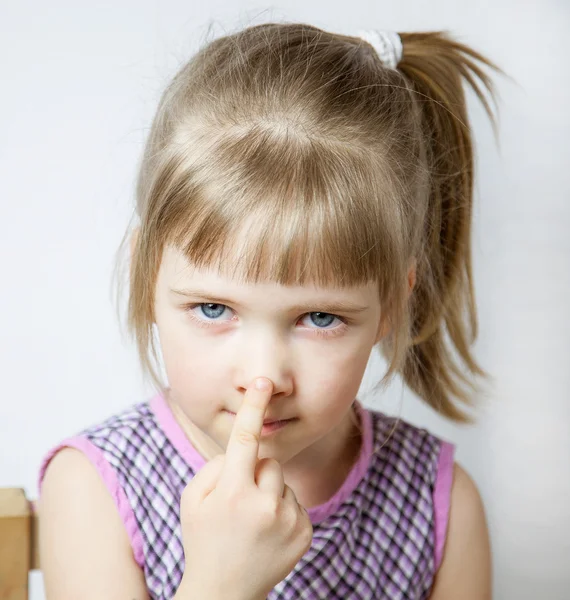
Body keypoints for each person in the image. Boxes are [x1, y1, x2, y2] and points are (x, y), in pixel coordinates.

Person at [37, 22, 505, 600]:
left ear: (392, 302)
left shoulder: (441, 505)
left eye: (321, 318)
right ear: (147, 276)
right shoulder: (95, 490)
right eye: (214, 308)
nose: (264, 377)